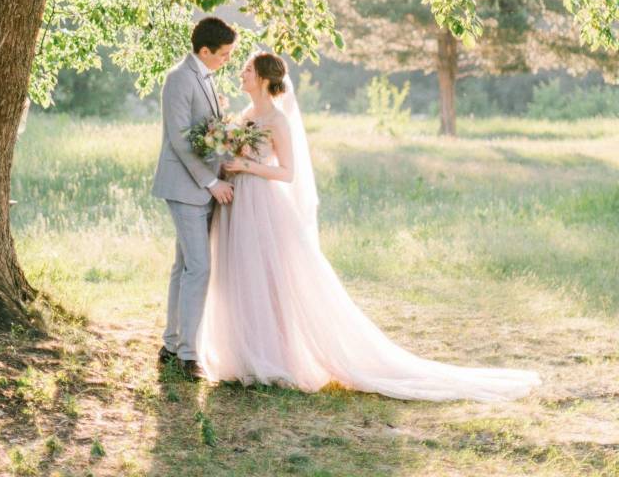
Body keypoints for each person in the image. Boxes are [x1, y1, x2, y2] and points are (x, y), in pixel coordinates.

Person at [195, 53, 541, 401]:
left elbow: (288, 172)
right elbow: (237, 153)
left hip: (264, 205)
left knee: (273, 278)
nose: (242, 73)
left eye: (248, 70)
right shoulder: (245, 115)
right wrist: (227, 160)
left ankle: (275, 356)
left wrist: (249, 167)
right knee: (243, 274)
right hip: (237, 203)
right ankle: (246, 352)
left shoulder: (278, 121)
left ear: (266, 79)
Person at [151, 17, 236, 380]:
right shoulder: (179, 78)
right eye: (224, 54)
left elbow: (206, 133)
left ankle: (171, 345)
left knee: (184, 266)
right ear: (204, 51)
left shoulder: (206, 77)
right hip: (186, 187)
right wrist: (209, 183)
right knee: (199, 268)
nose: (227, 60)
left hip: (201, 187)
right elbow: (180, 139)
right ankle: (188, 355)